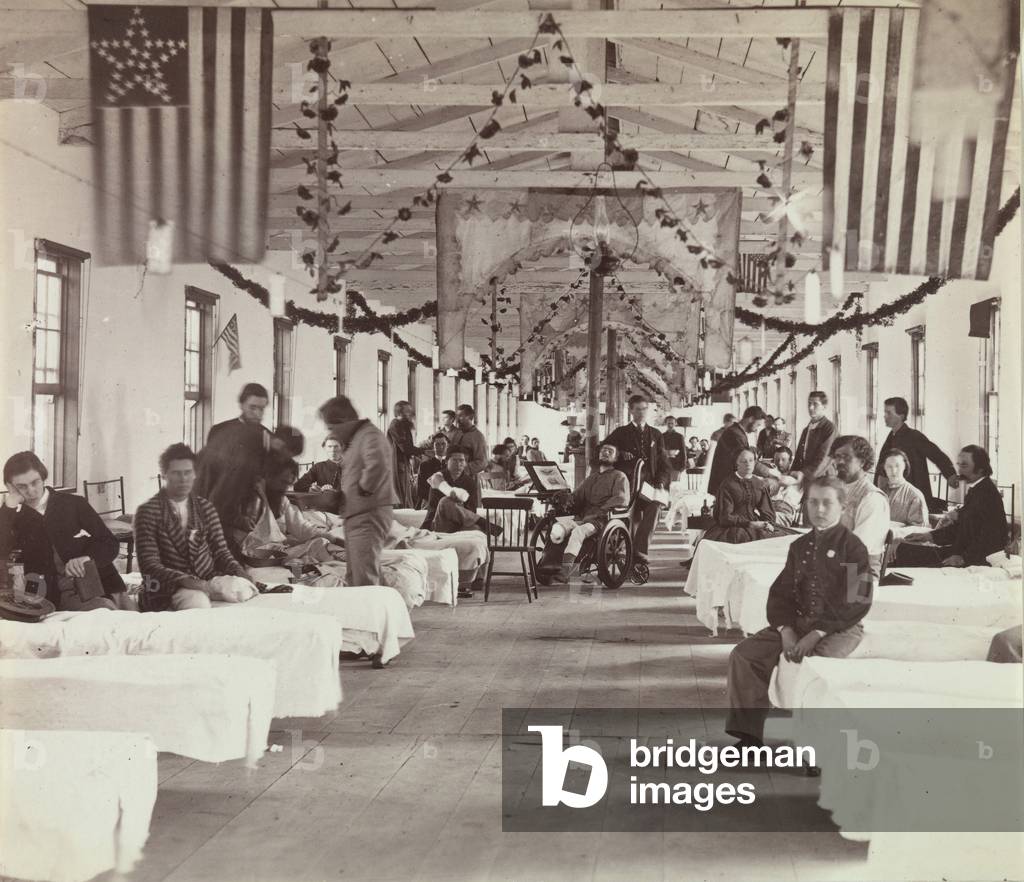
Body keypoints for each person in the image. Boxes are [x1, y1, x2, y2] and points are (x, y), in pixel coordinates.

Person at [726, 476, 873, 747]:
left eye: (827, 503)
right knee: (744, 655)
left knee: (815, 670)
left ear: (843, 506)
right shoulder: (799, 546)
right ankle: (749, 738)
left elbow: (857, 601)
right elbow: (781, 593)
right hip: (799, 623)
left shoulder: (853, 548)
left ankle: (816, 747)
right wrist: (786, 630)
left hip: (841, 628)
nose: (819, 510)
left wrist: (816, 633)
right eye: (813, 502)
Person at [134, 444, 256, 611]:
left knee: (245, 594)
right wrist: (191, 583)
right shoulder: (147, 512)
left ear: (195, 474)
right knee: (197, 601)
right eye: (176, 473)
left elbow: (221, 552)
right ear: (164, 475)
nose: (183, 479)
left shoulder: (205, 508)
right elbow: (150, 566)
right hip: (164, 588)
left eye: (188, 472)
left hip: (207, 582)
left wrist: (241, 574)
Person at [1, 451, 125, 610]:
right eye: (21, 486)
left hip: (92, 586)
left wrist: (86, 557)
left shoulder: (73, 503)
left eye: (35, 482)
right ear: (10, 486)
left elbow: (109, 543)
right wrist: (8, 507)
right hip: (46, 594)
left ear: (43, 476)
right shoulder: (12, 516)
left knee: (106, 609)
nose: (31, 491)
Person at [319, 395, 397, 587]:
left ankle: (373, 617)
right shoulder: (359, 438)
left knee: (364, 579)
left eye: (332, 428)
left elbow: (377, 464)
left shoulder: (369, 436)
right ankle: (387, 614)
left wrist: (362, 490)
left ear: (344, 421)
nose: (333, 434)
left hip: (367, 514)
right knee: (359, 574)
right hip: (358, 515)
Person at [898, 445, 1008, 567]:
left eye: (964, 465)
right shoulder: (976, 490)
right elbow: (960, 529)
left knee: (902, 554)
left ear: (980, 469)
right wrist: (928, 536)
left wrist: (963, 559)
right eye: (959, 465)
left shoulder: (987, 494)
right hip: (961, 551)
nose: (959, 471)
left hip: (975, 557)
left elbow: (993, 538)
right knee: (901, 549)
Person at [194, 383, 274, 549]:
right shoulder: (219, 430)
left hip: (246, 508)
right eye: (253, 408)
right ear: (242, 404)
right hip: (216, 501)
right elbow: (208, 472)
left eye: (261, 409)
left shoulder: (266, 437)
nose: (257, 414)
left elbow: (266, 477)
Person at [600, 393, 671, 564]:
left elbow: (664, 463)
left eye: (644, 409)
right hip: (627, 486)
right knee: (630, 517)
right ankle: (627, 549)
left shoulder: (655, 434)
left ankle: (638, 551)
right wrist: (618, 454)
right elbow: (601, 450)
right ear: (631, 411)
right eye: (638, 409)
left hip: (650, 485)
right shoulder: (621, 433)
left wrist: (661, 482)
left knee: (655, 507)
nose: (641, 413)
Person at [553, 443, 630, 582]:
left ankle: (566, 570)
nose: (605, 452)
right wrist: (565, 498)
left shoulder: (619, 476)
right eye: (603, 450)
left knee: (578, 532)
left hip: (602, 520)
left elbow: (621, 498)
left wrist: (600, 511)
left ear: (616, 458)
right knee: (557, 528)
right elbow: (578, 495)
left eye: (610, 451)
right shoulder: (593, 477)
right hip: (582, 517)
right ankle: (550, 565)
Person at [874, 396, 958, 512]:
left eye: (889, 413)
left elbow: (935, 453)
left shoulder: (914, 436)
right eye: (885, 412)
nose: (885, 416)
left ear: (901, 416)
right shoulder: (891, 437)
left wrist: (950, 474)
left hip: (911, 495)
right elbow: (881, 466)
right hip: (894, 493)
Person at [830, 435, 890, 578]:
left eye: (846, 457)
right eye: (837, 457)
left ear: (862, 462)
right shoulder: (839, 490)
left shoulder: (872, 498)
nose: (840, 462)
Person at [703, 448, 776, 544]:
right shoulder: (728, 484)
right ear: (736, 463)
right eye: (743, 461)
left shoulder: (759, 483)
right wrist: (750, 524)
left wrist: (767, 524)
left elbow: (768, 512)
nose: (748, 464)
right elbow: (725, 516)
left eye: (751, 460)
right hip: (731, 528)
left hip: (756, 524)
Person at [707, 406, 767, 497]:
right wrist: (770, 473)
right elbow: (746, 461)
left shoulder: (737, 431)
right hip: (726, 485)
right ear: (751, 419)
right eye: (758, 425)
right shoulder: (736, 434)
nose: (756, 430)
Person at [790, 391, 838, 484]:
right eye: (809, 404)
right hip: (806, 476)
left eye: (815, 404)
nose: (811, 408)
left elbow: (824, 458)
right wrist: (791, 474)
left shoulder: (829, 428)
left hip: (823, 478)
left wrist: (804, 474)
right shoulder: (807, 429)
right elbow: (799, 456)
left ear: (824, 407)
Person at [879, 449, 929, 527]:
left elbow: (918, 530)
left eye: (897, 466)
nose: (894, 471)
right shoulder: (879, 493)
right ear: (884, 468)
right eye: (889, 466)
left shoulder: (914, 495)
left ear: (905, 466)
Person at [759, 446, 802, 527]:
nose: (780, 463)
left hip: (783, 512)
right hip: (766, 508)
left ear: (790, 461)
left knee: (762, 520)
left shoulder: (797, 477)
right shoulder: (769, 477)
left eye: (783, 460)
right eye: (777, 460)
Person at [387, 400, 417, 508]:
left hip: (403, 463)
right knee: (401, 491)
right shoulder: (395, 425)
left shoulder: (403, 425)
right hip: (398, 464)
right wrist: (421, 451)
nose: (411, 414)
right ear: (400, 413)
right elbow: (404, 447)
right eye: (408, 411)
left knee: (405, 491)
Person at [449, 404, 488, 476]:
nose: (457, 420)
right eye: (456, 416)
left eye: (460, 416)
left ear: (470, 417)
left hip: (468, 477)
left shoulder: (478, 436)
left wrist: (465, 469)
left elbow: (482, 462)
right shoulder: (457, 434)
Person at [415, 434, 448, 508]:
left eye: (443, 444)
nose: (441, 447)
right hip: (429, 501)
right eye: (437, 444)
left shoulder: (451, 466)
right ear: (433, 447)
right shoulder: (425, 466)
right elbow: (420, 490)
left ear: (447, 445)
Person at [662, 416, 686, 483]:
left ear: (675, 423)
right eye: (668, 423)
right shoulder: (661, 436)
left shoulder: (679, 436)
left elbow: (683, 452)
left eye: (672, 423)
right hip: (664, 466)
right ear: (665, 423)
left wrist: (683, 466)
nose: (670, 425)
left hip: (676, 466)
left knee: (674, 486)